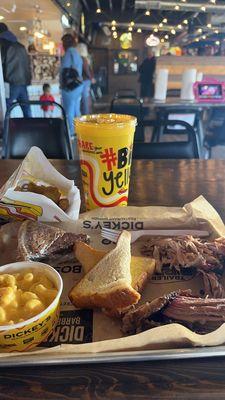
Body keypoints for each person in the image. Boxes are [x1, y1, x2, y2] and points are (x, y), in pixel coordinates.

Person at [0, 23, 32, 117]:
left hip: (9, 83)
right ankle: (31, 130)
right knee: (27, 111)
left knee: (5, 110)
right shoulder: (20, 46)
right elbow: (27, 64)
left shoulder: (2, 45)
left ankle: (7, 131)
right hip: (23, 83)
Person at [61, 33, 83, 138]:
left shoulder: (68, 53)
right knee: (76, 109)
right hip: (78, 85)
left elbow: (65, 69)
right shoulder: (76, 52)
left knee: (68, 110)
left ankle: (70, 132)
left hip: (69, 86)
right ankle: (79, 131)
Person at [76, 43, 94, 115]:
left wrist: (90, 78)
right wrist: (91, 78)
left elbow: (85, 70)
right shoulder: (84, 58)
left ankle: (85, 114)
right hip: (86, 80)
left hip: (83, 80)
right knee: (85, 97)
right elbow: (87, 70)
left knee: (84, 98)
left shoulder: (80, 58)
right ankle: (86, 114)